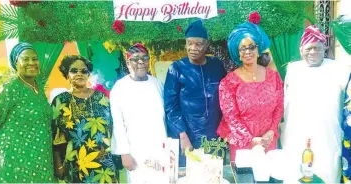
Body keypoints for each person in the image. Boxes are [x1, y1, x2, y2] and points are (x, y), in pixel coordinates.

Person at [282, 25, 350, 183]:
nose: (313, 52)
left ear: (324, 48)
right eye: (309, 48)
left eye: (318, 48)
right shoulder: (293, 70)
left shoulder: (339, 69)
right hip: (296, 138)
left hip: (328, 139)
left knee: (327, 175)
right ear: (301, 50)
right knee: (295, 176)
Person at [216, 22, 284, 162]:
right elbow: (231, 117)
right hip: (243, 142)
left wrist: (271, 130)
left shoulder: (274, 77)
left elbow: (279, 106)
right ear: (238, 54)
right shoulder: (228, 82)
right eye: (243, 48)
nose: (248, 52)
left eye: (251, 47)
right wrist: (252, 140)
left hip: (268, 140)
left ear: (258, 50)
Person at [164, 20, 227, 166]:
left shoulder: (216, 65)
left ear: (206, 45)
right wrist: (182, 134)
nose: (193, 48)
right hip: (187, 134)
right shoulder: (177, 68)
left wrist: (225, 129)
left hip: (214, 133)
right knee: (190, 174)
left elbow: (226, 97)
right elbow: (170, 105)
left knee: (212, 173)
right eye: (189, 43)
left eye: (198, 44)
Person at [51, 55, 122, 183]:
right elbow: (55, 136)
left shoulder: (102, 98)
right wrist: (58, 165)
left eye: (84, 71)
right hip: (75, 165)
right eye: (74, 70)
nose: (79, 74)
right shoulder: (60, 101)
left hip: (104, 165)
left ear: (88, 74)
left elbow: (114, 128)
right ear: (66, 73)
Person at [0, 42, 55, 182]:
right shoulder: (9, 89)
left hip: (41, 159)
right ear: (16, 63)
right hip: (14, 161)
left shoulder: (38, 86)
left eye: (34, 59)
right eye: (25, 59)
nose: (31, 63)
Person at [110, 43, 167, 183]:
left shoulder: (157, 84)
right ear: (128, 63)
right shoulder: (119, 88)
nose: (141, 62)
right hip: (136, 151)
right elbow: (118, 124)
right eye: (136, 59)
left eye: (144, 58)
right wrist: (124, 153)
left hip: (159, 147)